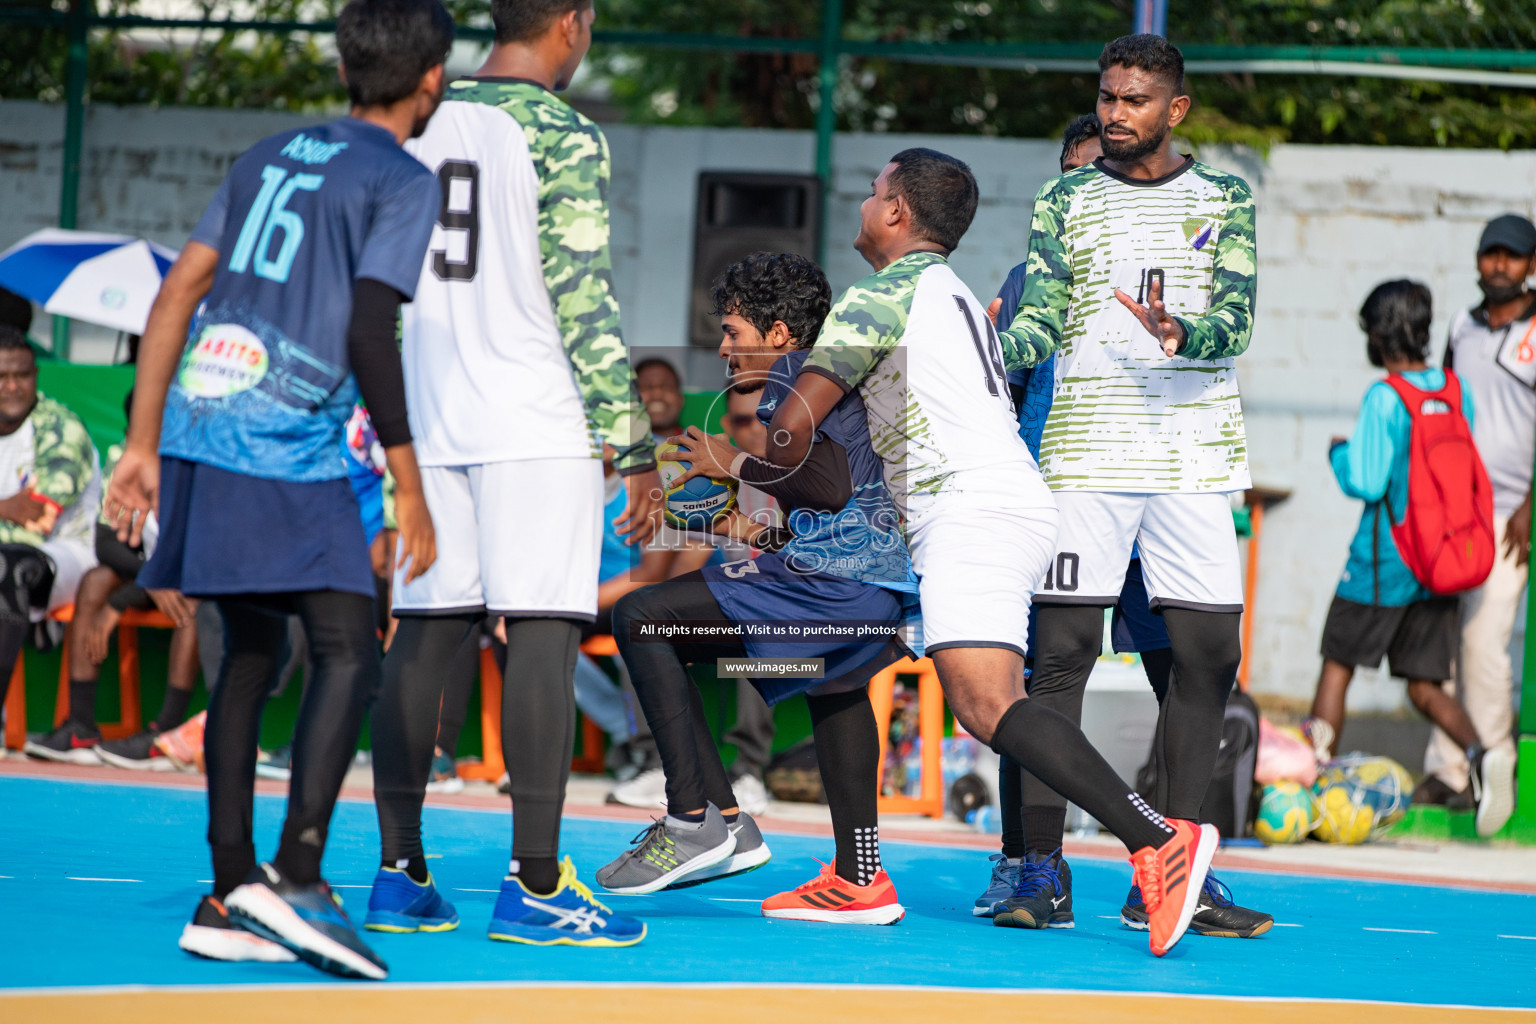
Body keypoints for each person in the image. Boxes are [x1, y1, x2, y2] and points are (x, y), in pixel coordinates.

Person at [722, 149, 1215, 956]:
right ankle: (857, 876)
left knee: (987, 705)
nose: (863, 201)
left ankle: (1157, 841)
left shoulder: (877, 298)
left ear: (896, 215)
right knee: (982, 700)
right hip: (1000, 503)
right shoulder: (949, 291)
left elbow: (790, 430)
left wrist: (728, 465)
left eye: (874, 190)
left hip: (970, 511)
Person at [105, 0, 452, 979]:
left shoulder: (267, 153)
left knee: (251, 654)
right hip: (284, 440)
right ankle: (294, 873)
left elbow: (178, 290)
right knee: (348, 650)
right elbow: (370, 328)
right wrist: (410, 482)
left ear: (349, 64)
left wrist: (142, 443)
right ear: (432, 80)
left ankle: (226, 893)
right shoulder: (399, 177)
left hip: (199, 430)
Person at [364, 0, 660, 948]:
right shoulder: (561, 130)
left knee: (424, 630)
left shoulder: (416, 111)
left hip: (426, 411)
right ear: (571, 22)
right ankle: (535, 882)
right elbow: (582, 291)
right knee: (541, 628)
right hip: (533, 411)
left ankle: (399, 873)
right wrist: (636, 440)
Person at [988, 35, 1268, 939]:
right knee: (1060, 659)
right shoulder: (1066, 195)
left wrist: (1185, 330)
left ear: (1174, 109)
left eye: (1133, 100)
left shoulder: (1225, 198)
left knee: (1208, 659)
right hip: (1084, 453)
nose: (1114, 113)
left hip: (1191, 455)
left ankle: (1176, 867)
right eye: (1106, 97)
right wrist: (994, 349)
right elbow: (1041, 317)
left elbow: (1239, 317)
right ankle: (1041, 868)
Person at [596, 250, 912, 924]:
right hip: (865, 587)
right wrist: (743, 526)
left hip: (835, 588)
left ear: (778, 334)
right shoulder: (832, 377)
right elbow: (835, 511)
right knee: (835, 683)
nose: (723, 345)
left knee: (643, 618)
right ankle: (860, 875)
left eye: (733, 331)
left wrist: (728, 459)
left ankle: (699, 820)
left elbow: (827, 490)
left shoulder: (792, 376)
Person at [976, 110, 1175, 923]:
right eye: (1081, 175)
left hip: (1154, 499)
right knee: (1038, 685)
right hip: (1060, 502)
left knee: (1184, 675)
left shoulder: (1176, 270)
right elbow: (1001, 397)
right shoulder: (1028, 284)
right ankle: (1033, 864)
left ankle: (1166, 866)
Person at [1308, 280, 1515, 836]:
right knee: (1425, 686)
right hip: (1438, 566)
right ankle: (1483, 754)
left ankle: (1309, 779)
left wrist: (1339, 454)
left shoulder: (1385, 396)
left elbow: (1369, 480)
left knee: (1338, 663)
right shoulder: (1454, 388)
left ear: (1378, 335)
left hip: (1383, 564)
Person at [1415, 213, 1534, 824]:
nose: (1498, 266)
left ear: (1530, 264)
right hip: (1458, 510)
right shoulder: (1462, 325)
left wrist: (1528, 507)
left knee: (1485, 640)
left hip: (1512, 513)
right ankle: (1450, 771)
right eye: (1490, 255)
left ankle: (1496, 763)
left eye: (1511, 256)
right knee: (1448, 643)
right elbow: (1445, 405)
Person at [31, 394, 204, 770]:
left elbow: (198, 563)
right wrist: (147, 581)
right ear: (131, 435)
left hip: (188, 579)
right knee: (95, 580)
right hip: (147, 573)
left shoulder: (200, 469)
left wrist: (123, 600)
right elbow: (105, 540)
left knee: (193, 599)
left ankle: (167, 734)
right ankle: (80, 728)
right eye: (145, 434)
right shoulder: (125, 460)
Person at [0, 328, 101, 745]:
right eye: (2, 376)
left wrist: (11, 511)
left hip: (66, 557)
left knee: (8, 564)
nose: (12, 386)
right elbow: (11, 513)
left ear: (36, 375)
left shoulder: (61, 428)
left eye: (22, 375)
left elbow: (35, 517)